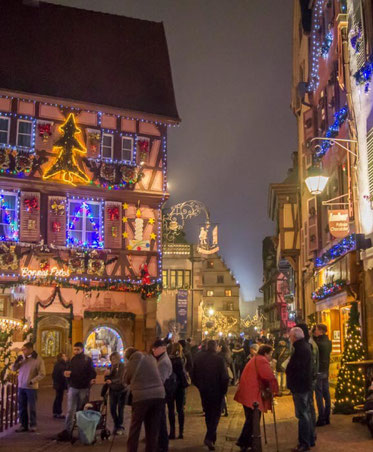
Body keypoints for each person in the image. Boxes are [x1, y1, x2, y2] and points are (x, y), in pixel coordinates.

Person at [234, 345, 278, 452]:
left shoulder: (256, 359)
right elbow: (268, 376)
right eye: (270, 354)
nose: (270, 357)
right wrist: (275, 388)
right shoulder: (262, 361)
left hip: (248, 392)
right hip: (252, 393)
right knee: (253, 419)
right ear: (265, 353)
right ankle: (244, 441)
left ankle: (247, 442)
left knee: (251, 418)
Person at [124, 347, 165, 452]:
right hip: (159, 396)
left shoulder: (131, 363)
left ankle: (131, 450)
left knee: (135, 427)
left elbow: (125, 379)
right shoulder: (150, 358)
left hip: (141, 397)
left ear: (129, 357)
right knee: (152, 427)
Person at [192, 339, 229, 451]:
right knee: (216, 415)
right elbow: (225, 377)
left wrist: (200, 386)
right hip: (217, 391)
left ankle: (211, 437)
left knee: (208, 414)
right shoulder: (219, 359)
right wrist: (224, 391)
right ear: (216, 347)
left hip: (204, 391)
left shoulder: (199, 359)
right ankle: (210, 437)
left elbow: (193, 375)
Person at [57, 342, 96, 441]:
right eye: (74, 349)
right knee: (70, 410)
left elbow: (92, 372)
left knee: (81, 410)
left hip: (83, 387)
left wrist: (91, 379)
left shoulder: (87, 360)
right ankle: (68, 431)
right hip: (73, 387)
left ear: (82, 349)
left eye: (77, 349)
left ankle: (82, 432)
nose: (76, 351)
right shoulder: (71, 360)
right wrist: (65, 373)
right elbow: (66, 370)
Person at [286, 327, 313, 452]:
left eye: (290, 336)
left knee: (302, 414)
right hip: (304, 385)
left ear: (295, 337)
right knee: (305, 413)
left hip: (300, 386)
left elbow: (295, 368)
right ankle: (309, 439)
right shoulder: (305, 347)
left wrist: (289, 369)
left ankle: (304, 443)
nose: (289, 339)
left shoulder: (300, 349)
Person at [12, 342, 46, 432]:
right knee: (22, 406)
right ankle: (23, 425)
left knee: (32, 406)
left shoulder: (38, 360)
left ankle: (33, 425)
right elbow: (14, 369)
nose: (23, 351)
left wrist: (32, 381)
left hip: (31, 387)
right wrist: (17, 362)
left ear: (31, 349)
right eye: (22, 349)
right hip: (21, 386)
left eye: (25, 349)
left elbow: (42, 374)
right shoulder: (22, 358)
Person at [152, 339, 173, 452]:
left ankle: (162, 445)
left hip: (161, 394)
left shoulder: (163, 362)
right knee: (160, 419)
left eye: (155, 349)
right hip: (161, 393)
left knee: (160, 420)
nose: (153, 351)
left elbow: (160, 380)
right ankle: (161, 443)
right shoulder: (161, 359)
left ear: (161, 348)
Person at [167, 342, 187, 439]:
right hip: (179, 388)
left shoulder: (168, 360)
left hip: (170, 388)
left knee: (171, 410)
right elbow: (182, 374)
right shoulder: (181, 360)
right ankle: (181, 432)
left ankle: (172, 432)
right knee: (180, 410)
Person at [314, 323, 332, 426]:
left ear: (321, 331)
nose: (315, 331)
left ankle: (321, 418)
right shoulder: (329, 342)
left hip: (319, 370)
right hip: (326, 370)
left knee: (319, 395)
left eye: (316, 329)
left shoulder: (318, 343)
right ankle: (327, 416)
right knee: (327, 394)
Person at [104, 351, 126, 435]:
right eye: (111, 359)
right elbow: (106, 378)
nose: (112, 361)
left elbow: (122, 378)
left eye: (114, 359)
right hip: (112, 390)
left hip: (121, 390)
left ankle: (119, 425)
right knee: (112, 409)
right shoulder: (111, 367)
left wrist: (111, 381)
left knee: (120, 409)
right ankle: (117, 424)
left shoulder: (122, 366)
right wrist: (106, 376)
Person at [52, 353, 68, 419]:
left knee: (57, 397)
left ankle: (55, 411)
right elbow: (63, 375)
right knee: (59, 398)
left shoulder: (57, 364)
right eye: (64, 356)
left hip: (57, 383)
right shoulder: (62, 365)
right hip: (60, 383)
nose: (66, 357)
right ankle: (58, 412)